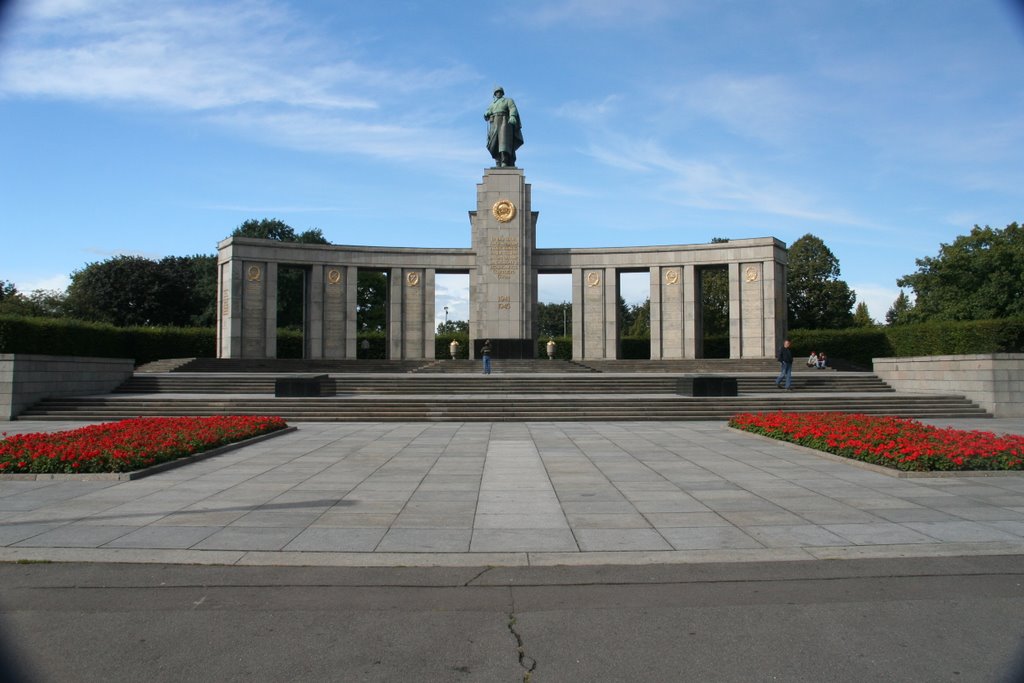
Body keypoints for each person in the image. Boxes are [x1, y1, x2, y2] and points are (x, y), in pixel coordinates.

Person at [484, 86, 524, 168]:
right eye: (496, 92)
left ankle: (504, 161)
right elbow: (487, 112)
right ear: (494, 94)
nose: (498, 93)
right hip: (494, 123)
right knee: (494, 143)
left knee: (504, 143)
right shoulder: (492, 104)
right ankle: (497, 160)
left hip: (504, 122)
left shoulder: (508, 100)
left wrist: (512, 116)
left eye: (499, 91)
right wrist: (486, 113)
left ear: (502, 93)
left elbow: (512, 108)